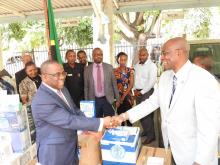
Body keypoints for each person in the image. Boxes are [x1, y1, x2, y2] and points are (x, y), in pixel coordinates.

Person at [114, 37, 220, 165]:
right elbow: (151, 102)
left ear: (179, 53)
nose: (162, 58)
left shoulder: (203, 80)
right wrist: (123, 116)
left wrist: (200, 161)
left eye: (165, 53)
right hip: (171, 148)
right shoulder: (165, 77)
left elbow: (209, 129)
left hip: (193, 156)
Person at [31, 60, 116, 165]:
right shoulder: (42, 100)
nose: (62, 77)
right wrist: (101, 122)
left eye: (63, 73)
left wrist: (88, 126)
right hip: (54, 154)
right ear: (44, 77)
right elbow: (69, 120)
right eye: (57, 74)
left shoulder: (63, 90)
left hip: (70, 148)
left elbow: (74, 110)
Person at [84, 47, 120, 117]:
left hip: (108, 99)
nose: (99, 56)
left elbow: (114, 84)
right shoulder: (87, 69)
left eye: (101, 54)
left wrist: (117, 99)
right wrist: (87, 102)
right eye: (96, 54)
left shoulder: (109, 67)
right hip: (94, 100)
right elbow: (86, 87)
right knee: (97, 122)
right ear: (93, 56)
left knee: (110, 121)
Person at [133, 48, 157, 144]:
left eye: (143, 55)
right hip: (137, 92)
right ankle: (146, 131)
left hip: (146, 92)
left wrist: (141, 92)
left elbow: (151, 82)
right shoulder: (136, 65)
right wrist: (134, 90)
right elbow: (135, 79)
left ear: (147, 55)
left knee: (147, 115)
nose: (141, 57)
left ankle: (151, 136)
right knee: (141, 113)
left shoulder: (152, 66)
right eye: (140, 55)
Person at [114, 52, 134, 126]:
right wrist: (118, 98)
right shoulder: (114, 71)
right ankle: (122, 133)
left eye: (124, 60)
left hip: (128, 96)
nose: (123, 62)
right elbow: (114, 85)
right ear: (118, 60)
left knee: (129, 117)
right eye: (121, 60)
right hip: (118, 97)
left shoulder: (130, 70)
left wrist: (123, 97)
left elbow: (131, 84)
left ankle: (131, 134)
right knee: (120, 118)